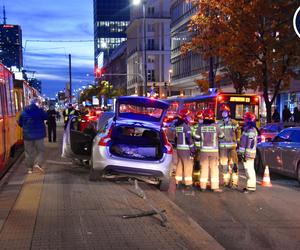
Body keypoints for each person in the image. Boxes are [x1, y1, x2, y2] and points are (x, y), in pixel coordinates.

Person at [194, 108, 224, 192]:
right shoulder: (216, 126)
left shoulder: (200, 127)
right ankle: (214, 187)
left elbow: (196, 138)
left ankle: (203, 186)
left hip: (203, 152)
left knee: (204, 168)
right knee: (214, 168)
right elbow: (222, 136)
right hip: (214, 152)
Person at [18, 98, 48, 174]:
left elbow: (20, 123)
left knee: (28, 152)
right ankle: (37, 164)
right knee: (40, 151)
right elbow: (46, 117)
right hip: (39, 135)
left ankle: (30, 169)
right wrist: (42, 110)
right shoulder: (40, 111)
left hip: (27, 136)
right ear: (37, 103)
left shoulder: (24, 112)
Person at [218, 104, 241, 189]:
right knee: (224, 165)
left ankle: (234, 183)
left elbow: (238, 131)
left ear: (228, 112)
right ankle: (226, 181)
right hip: (223, 148)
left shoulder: (234, 122)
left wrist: (238, 140)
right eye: (222, 112)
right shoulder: (219, 123)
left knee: (234, 165)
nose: (224, 113)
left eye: (225, 112)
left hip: (232, 148)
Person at [174, 108, 195, 189]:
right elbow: (189, 139)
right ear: (184, 117)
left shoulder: (178, 126)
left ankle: (177, 181)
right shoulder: (186, 127)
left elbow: (175, 138)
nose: (190, 118)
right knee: (187, 166)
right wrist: (192, 149)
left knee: (179, 165)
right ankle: (188, 183)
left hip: (179, 149)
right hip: (186, 149)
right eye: (188, 117)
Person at [238, 112, 258, 193]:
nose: (244, 120)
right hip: (246, 153)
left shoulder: (251, 130)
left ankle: (251, 187)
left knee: (249, 170)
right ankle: (249, 186)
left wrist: (245, 154)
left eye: (245, 119)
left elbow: (250, 144)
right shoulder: (248, 129)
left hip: (248, 154)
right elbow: (243, 142)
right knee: (248, 169)